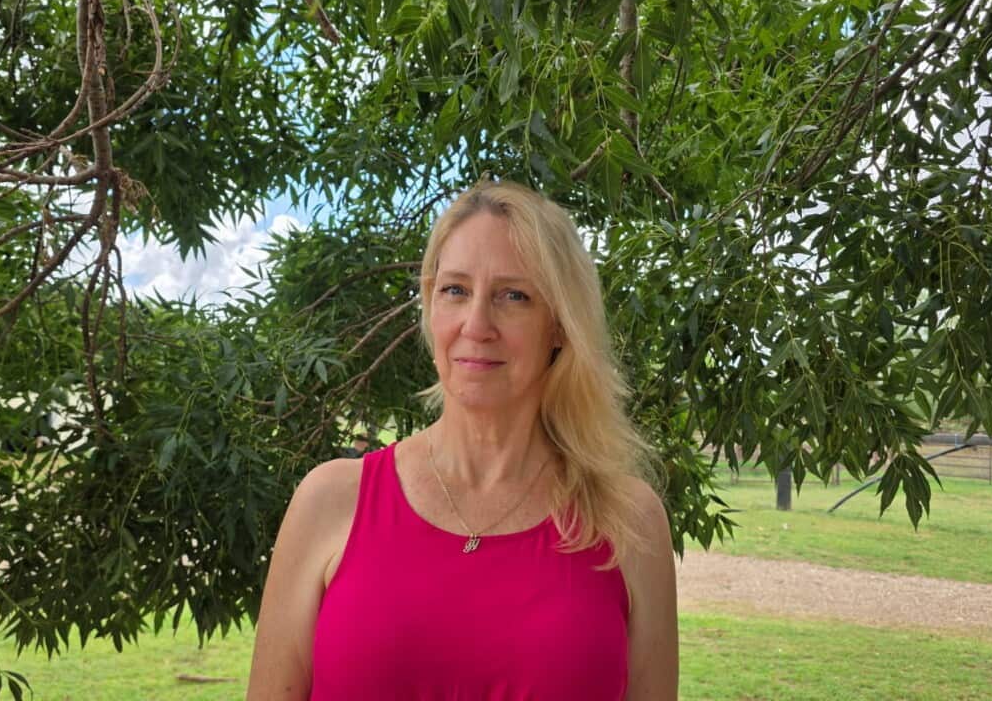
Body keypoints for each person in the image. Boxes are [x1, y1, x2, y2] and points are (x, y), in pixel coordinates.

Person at [246, 180, 678, 700]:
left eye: (513, 296)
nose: (477, 325)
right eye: (455, 290)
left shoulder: (627, 521)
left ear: (560, 325)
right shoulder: (329, 501)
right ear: (431, 306)